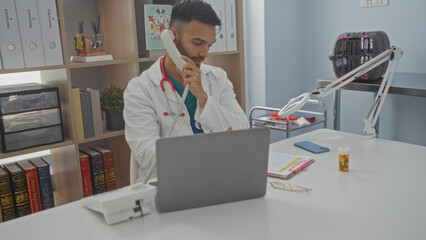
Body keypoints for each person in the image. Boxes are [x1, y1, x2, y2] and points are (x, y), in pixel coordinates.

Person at [124, 0, 249, 182]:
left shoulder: (217, 78)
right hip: (171, 184)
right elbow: (148, 154)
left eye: (209, 45)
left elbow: (242, 131)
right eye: (198, 43)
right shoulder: (140, 90)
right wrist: (208, 154)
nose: (204, 53)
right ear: (172, 38)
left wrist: (203, 98)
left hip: (219, 177)